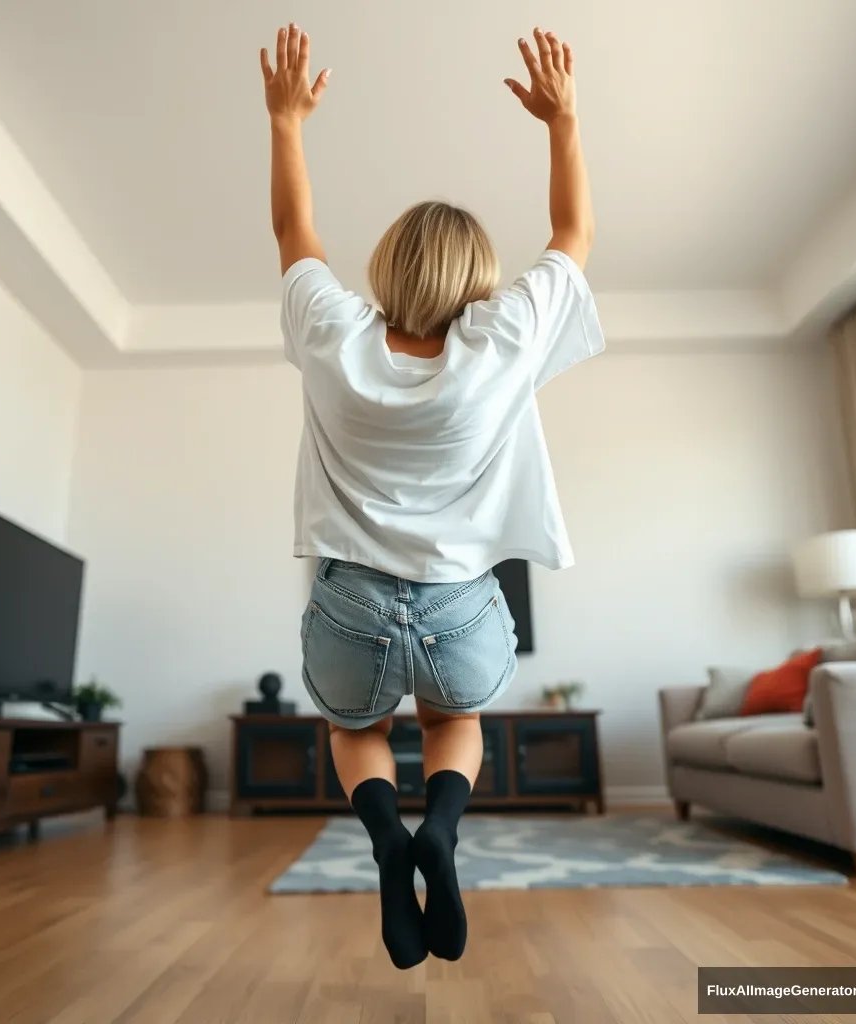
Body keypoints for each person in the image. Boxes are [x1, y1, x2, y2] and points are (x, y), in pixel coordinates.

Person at [260, 23, 602, 969]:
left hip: (348, 600)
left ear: (388, 267)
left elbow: (295, 232)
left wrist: (286, 121)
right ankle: (440, 830)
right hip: (458, 606)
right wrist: (561, 120)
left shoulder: (333, 334)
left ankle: (386, 843)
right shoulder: (502, 344)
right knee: (455, 720)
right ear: (477, 283)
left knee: (353, 727)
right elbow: (572, 236)